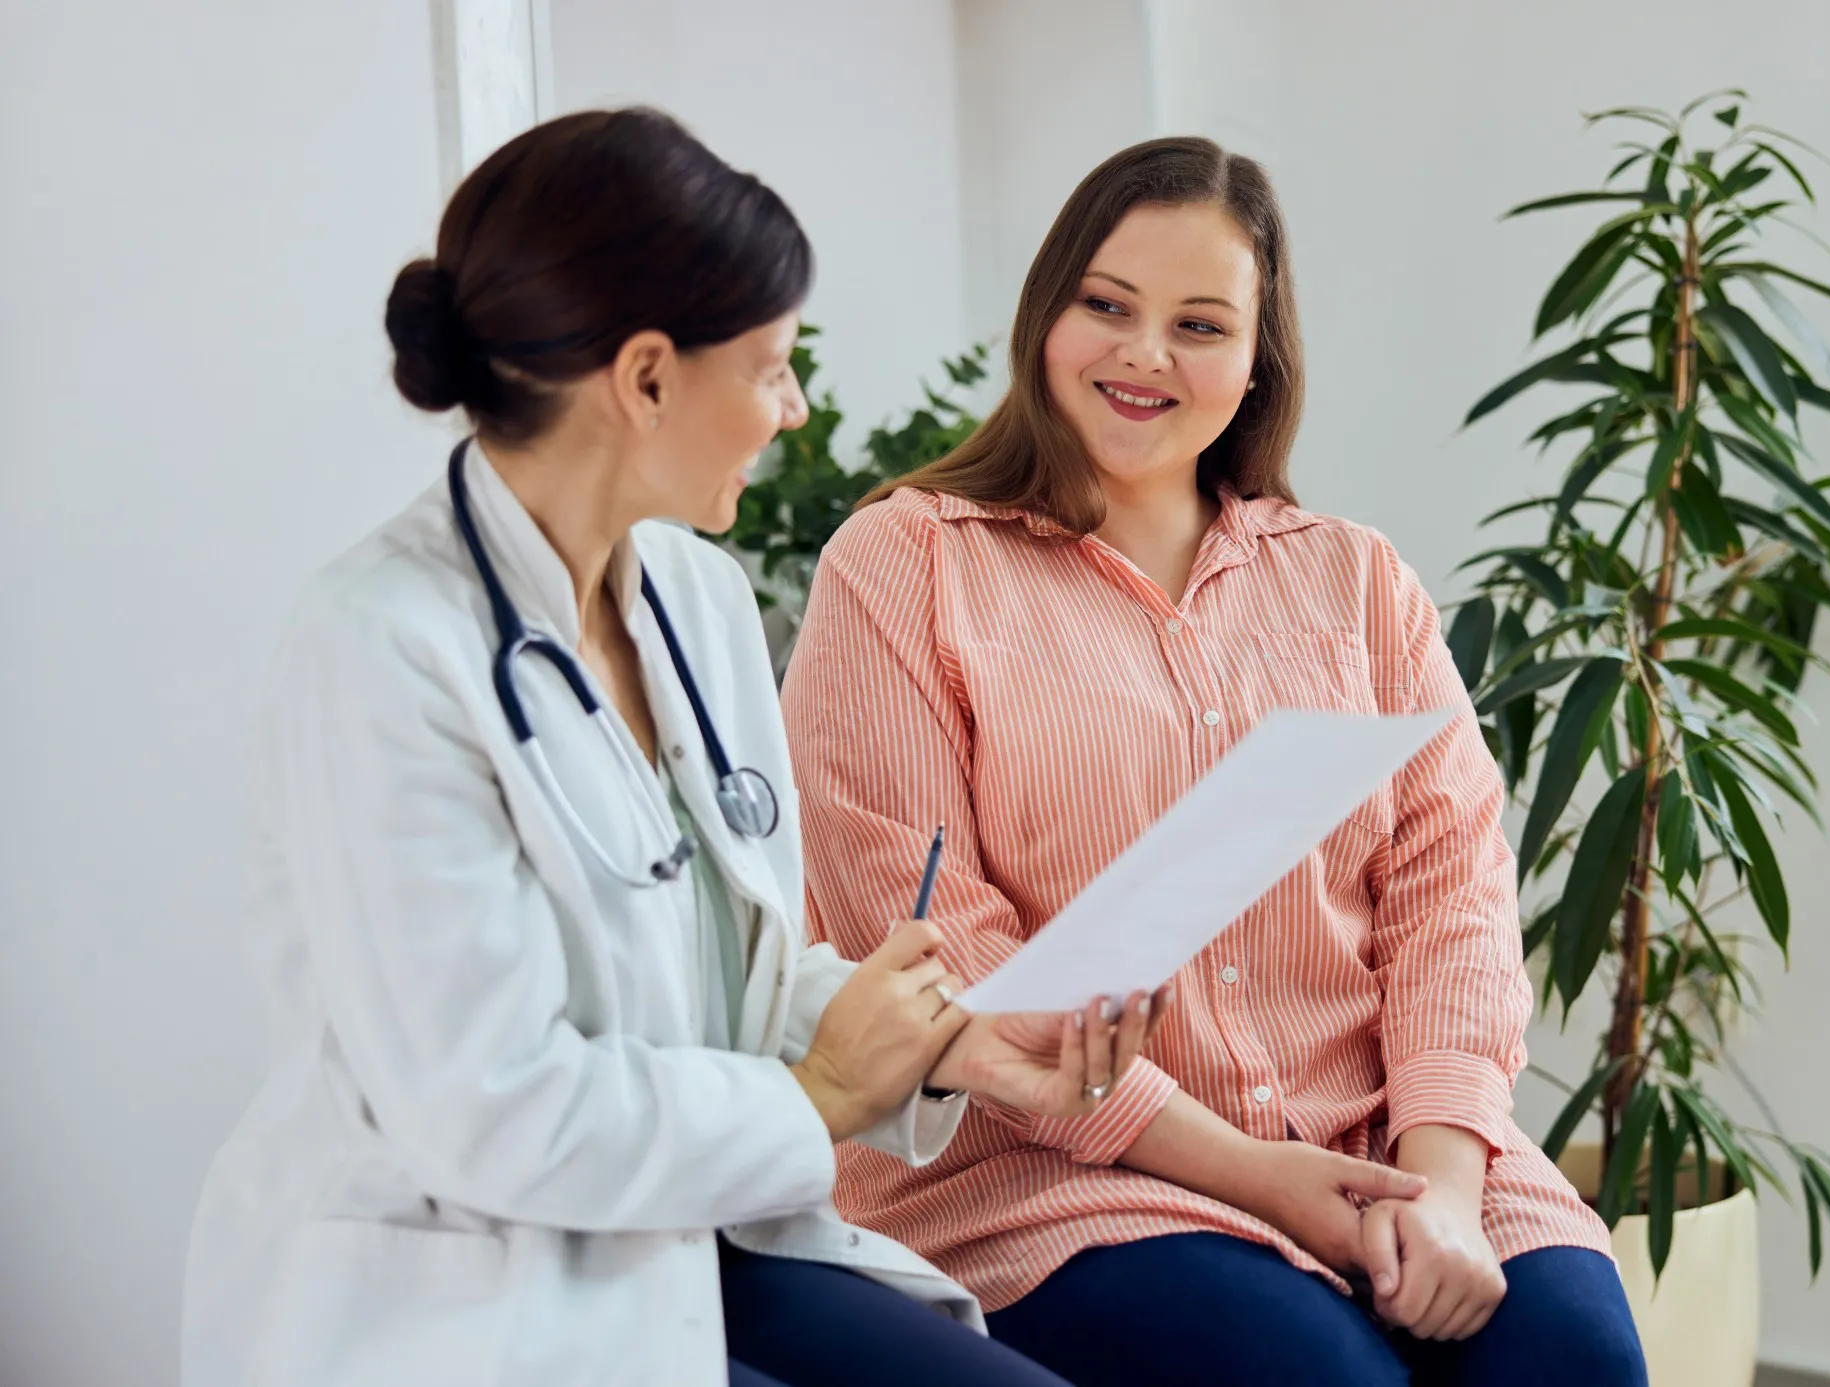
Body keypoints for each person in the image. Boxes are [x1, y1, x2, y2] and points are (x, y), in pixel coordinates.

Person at [179, 108, 1162, 1387]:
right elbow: (494, 1109)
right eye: (770, 366)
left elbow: (710, 975)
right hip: (472, 1283)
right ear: (646, 379)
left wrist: (941, 1042)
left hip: (691, 1232)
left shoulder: (694, 600)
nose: (794, 410)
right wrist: (816, 1097)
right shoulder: (380, 651)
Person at [780, 136, 1649, 1386]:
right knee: (1321, 1376)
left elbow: (1451, 902)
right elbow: (935, 946)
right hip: (1059, 1171)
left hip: (1384, 1132)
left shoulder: (1356, 581)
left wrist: (1446, 1181)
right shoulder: (904, 563)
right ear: (1045, 314)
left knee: (1571, 1354)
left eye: (1198, 323)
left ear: (1255, 362)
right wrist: (1265, 1181)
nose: (1144, 355)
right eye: (1106, 306)